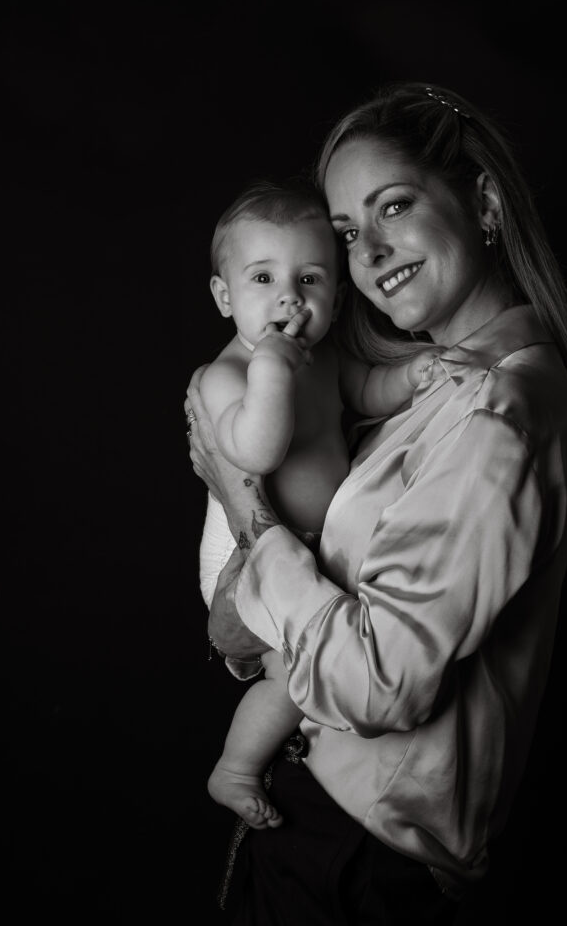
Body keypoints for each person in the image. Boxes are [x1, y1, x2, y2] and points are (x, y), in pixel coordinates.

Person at [185, 82, 567, 924]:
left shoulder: (497, 416)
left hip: (358, 856)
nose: (366, 252)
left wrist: (244, 505)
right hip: (314, 822)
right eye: (344, 234)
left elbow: (377, 688)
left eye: (393, 207)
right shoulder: (439, 388)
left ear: (482, 203)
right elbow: (250, 623)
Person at [196, 180, 447, 830]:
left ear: (334, 299)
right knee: (288, 678)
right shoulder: (226, 377)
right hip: (244, 555)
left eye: (309, 280)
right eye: (262, 278)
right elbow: (254, 451)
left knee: (336, 650)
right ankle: (234, 768)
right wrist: (271, 372)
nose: (289, 297)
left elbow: (363, 390)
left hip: (310, 545)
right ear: (225, 296)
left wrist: (406, 380)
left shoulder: (326, 357)